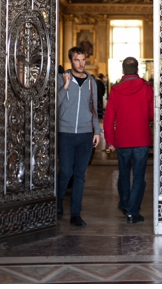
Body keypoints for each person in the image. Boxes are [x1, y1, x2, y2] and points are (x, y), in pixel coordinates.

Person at [103, 56, 154, 224]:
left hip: (123, 140)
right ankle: (133, 212)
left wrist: (110, 140)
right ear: (138, 70)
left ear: (123, 71)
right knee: (139, 177)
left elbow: (109, 118)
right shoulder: (147, 88)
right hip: (141, 139)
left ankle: (125, 205)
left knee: (124, 174)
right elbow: (153, 114)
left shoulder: (115, 90)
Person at [56, 47, 102, 227]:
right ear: (71, 61)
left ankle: (76, 213)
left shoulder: (91, 82)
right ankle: (58, 202)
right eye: (77, 60)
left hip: (85, 133)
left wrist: (96, 131)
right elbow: (55, 104)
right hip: (65, 132)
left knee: (80, 175)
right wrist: (65, 86)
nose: (81, 64)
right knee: (66, 171)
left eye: (83, 60)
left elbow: (94, 107)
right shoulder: (61, 79)